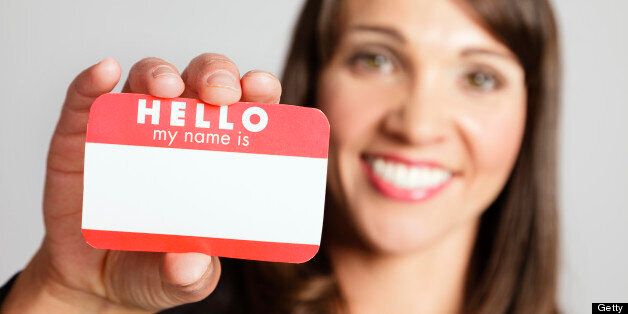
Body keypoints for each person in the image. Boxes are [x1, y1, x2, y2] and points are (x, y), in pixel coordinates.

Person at [0, 0, 560, 313]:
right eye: (376, 60)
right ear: (313, 82)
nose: (416, 125)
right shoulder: (164, 302)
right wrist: (61, 295)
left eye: (480, 77)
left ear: (531, 113)